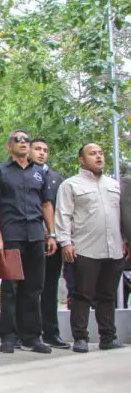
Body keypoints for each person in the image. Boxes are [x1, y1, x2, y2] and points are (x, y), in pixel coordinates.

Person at [0, 130, 57, 354]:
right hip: (11, 235)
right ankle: (8, 336)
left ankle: (33, 337)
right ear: (9, 146)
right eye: (18, 140)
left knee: (34, 287)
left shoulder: (39, 173)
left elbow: (47, 204)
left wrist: (52, 234)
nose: (23, 143)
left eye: (26, 140)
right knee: (10, 288)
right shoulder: (0, 171)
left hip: (36, 235)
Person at [55, 143, 126, 353]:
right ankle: (80, 338)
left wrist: (125, 239)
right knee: (82, 295)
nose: (98, 157)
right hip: (84, 249)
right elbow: (63, 214)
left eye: (101, 153)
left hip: (114, 249)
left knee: (108, 295)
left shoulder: (114, 185)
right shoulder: (71, 185)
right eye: (92, 154)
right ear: (82, 160)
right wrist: (65, 242)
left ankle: (108, 337)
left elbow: (123, 215)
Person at [28, 138, 70, 349]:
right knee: (27, 288)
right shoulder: (20, 174)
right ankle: (25, 333)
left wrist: (56, 235)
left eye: (45, 150)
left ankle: (51, 332)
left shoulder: (58, 179)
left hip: (53, 240)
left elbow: (63, 210)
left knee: (50, 288)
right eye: (37, 149)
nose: (41, 153)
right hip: (28, 238)